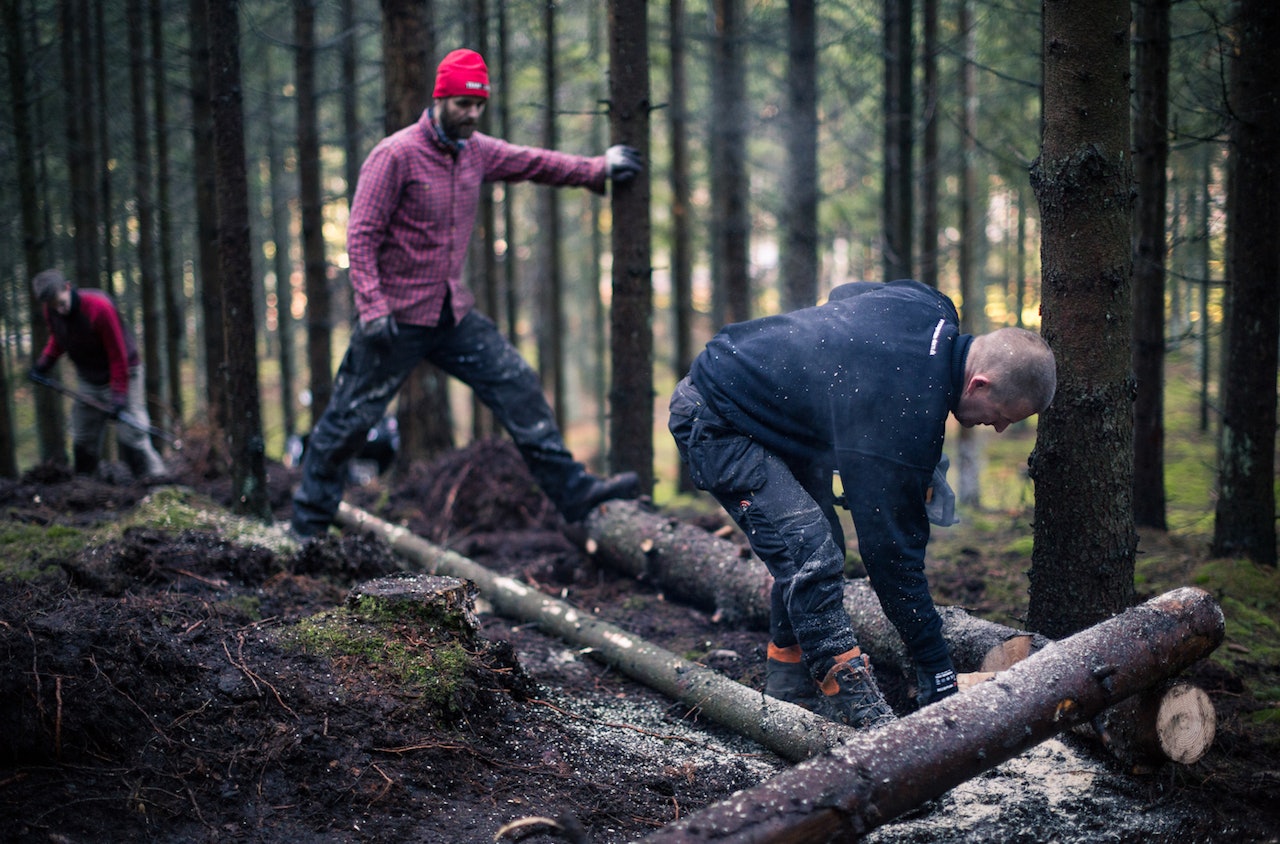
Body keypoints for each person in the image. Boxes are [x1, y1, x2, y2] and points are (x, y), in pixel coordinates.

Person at [668, 279, 1056, 729]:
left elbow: (845, 295)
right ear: (979, 382)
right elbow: (891, 557)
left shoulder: (929, 304)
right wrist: (934, 662)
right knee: (809, 549)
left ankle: (786, 679)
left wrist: (908, 460)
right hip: (717, 417)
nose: (1000, 428)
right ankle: (855, 700)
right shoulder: (905, 415)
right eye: (1004, 415)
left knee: (820, 536)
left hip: (770, 414)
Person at [291, 48, 643, 540]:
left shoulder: (475, 149)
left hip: (451, 315)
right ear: (440, 98)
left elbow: (533, 162)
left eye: (478, 105)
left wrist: (596, 168)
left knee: (519, 386)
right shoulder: (394, 156)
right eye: (462, 104)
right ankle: (306, 530)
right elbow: (361, 235)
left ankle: (573, 492)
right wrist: (372, 308)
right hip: (393, 320)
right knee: (348, 422)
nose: (471, 114)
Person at [30, 268, 169, 482]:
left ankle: (155, 480)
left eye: (62, 302)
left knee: (132, 431)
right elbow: (58, 339)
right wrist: (44, 363)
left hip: (125, 374)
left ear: (67, 287)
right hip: (90, 378)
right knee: (82, 431)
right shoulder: (52, 310)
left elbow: (118, 355)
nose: (60, 309)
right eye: (53, 306)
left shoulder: (98, 308)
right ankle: (86, 482)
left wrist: (119, 397)